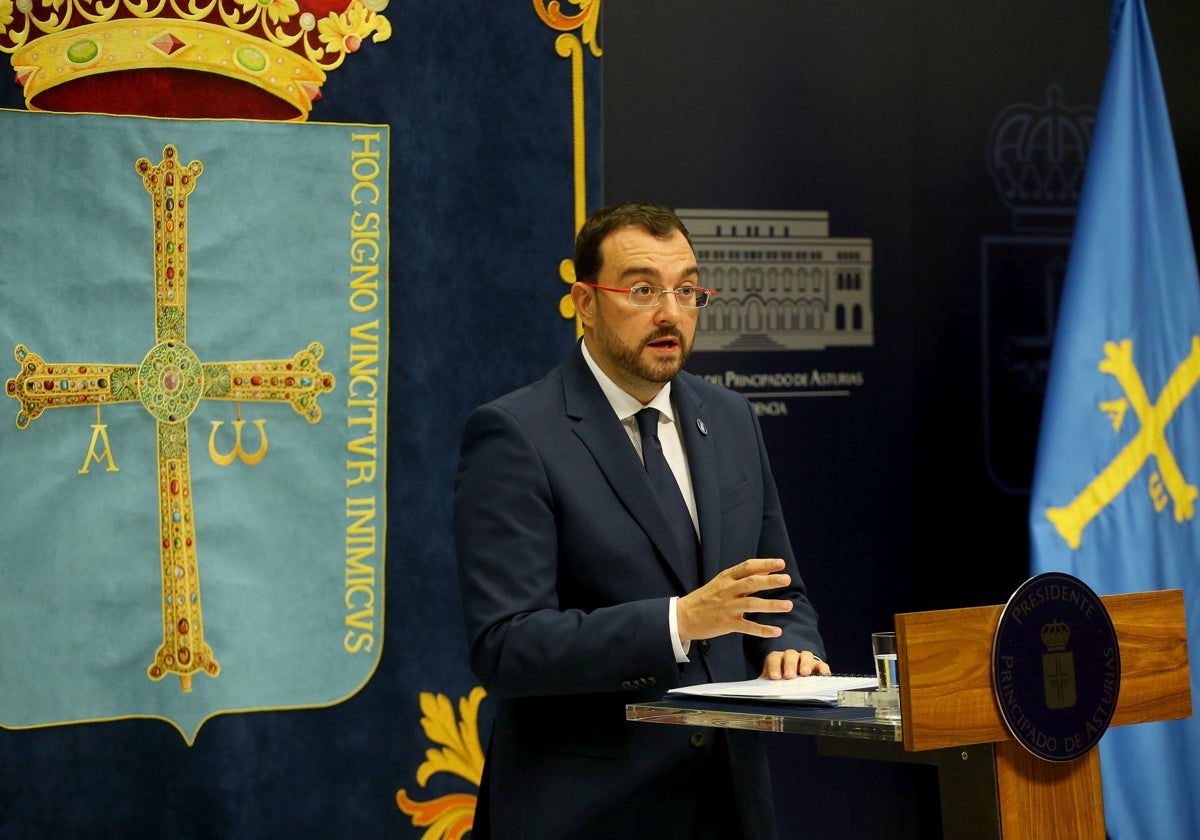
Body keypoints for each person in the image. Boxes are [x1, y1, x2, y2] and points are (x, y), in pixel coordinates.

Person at [454, 201, 830, 840]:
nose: (670, 313)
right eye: (642, 290)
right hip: (588, 811)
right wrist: (676, 622)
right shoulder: (517, 434)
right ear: (585, 301)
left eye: (686, 290)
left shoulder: (731, 417)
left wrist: (793, 646)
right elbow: (506, 645)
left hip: (727, 803)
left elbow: (778, 592)